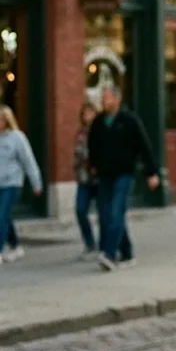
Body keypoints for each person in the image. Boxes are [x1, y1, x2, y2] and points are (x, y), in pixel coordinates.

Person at [89, 87, 160, 271]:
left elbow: (144, 146)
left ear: (117, 100)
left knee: (116, 211)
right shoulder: (98, 122)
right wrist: (93, 165)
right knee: (105, 214)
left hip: (124, 174)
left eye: (107, 98)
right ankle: (127, 252)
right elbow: (92, 145)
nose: (104, 101)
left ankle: (109, 253)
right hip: (104, 176)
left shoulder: (129, 120)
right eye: (103, 98)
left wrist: (151, 173)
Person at [0, 106, 42, 267]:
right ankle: (16, 245)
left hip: (12, 183)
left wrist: (36, 182)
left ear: (7, 120)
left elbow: (28, 160)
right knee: (4, 216)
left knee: (2, 215)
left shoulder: (17, 138)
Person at [74, 102, 101, 258]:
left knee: (104, 212)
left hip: (98, 179)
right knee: (80, 210)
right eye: (85, 113)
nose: (88, 116)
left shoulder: (100, 132)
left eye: (91, 112)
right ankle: (89, 243)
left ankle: (107, 245)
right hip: (83, 178)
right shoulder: (81, 133)